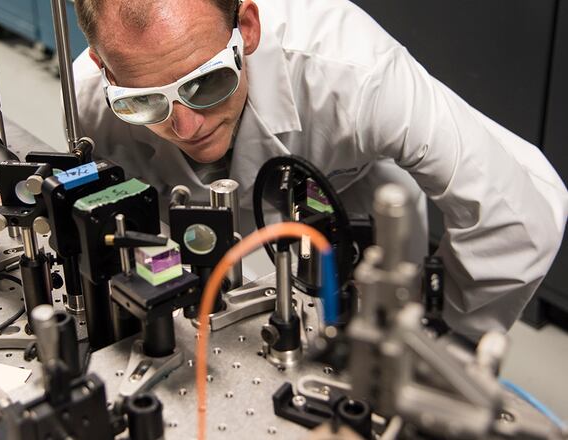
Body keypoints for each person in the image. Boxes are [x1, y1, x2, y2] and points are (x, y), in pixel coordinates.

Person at [72, 0, 568, 340]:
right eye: (146, 102)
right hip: (208, 253)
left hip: (347, 199)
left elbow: (518, 220)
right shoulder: (92, 101)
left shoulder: (352, 73)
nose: (186, 125)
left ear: (246, 30)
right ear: (103, 67)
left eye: (206, 82)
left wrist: (445, 341)